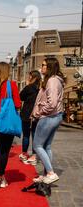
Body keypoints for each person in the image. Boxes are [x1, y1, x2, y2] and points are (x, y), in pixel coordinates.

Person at [0, 62, 21, 189]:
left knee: (0, 149)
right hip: (7, 120)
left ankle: (2, 177)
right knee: (4, 151)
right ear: (7, 71)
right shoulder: (11, 85)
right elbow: (17, 104)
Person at [32, 57, 65, 185]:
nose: (42, 67)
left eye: (44, 65)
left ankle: (50, 173)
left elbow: (52, 104)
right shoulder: (56, 80)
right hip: (55, 116)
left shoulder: (52, 81)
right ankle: (46, 174)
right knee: (47, 146)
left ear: (50, 67)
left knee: (37, 145)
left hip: (49, 116)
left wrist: (39, 112)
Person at [19, 70, 41, 165]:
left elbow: (21, 97)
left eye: (30, 76)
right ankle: (34, 156)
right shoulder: (40, 88)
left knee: (26, 135)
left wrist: (27, 85)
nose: (28, 78)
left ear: (34, 78)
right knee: (35, 136)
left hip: (27, 114)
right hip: (37, 114)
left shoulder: (29, 87)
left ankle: (24, 154)